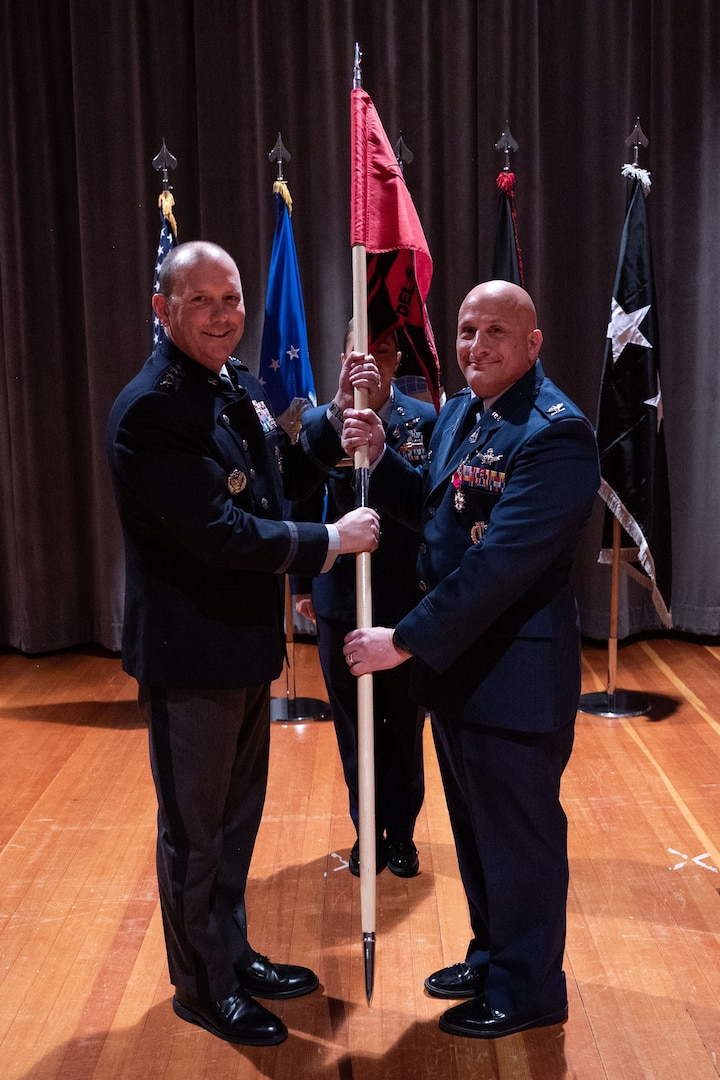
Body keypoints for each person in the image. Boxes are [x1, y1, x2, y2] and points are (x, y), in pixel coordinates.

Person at [106, 240, 380, 1047]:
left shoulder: (232, 383)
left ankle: (231, 954)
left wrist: (329, 418)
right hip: (191, 658)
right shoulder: (154, 410)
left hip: (243, 648)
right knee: (195, 836)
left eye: (231, 300)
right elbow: (221, 533)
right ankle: (202, 987)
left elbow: (276, 476)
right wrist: (331, 538)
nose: (225, 316)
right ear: (163, 309)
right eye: (203, 302)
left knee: (233, 826)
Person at [341, 280, 600, 1039]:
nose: (476, 346)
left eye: (494, 332)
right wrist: (384, 456)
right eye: (464, 331)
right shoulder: (463, 410)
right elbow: (433, 509)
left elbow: (498, 569)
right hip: (461, 675)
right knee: (478, 831)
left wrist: (404, 640)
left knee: (519, 839)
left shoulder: (555, 434)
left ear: (533, 343)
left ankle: (528, 989)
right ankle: (493, 956)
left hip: (513, 675)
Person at [289, 323, 437, 877]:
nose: (371, 359)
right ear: (341, 354)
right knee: (353, 729)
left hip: (403, 598)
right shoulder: (315, 424)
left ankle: (401, 834)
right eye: (360, 347)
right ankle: (365, 832)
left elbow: (431, 507)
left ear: (398, 360)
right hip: (339, 598)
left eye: (383, 349)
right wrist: (303, 585)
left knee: (403, 724)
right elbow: (299, 504)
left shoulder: (424, 420)